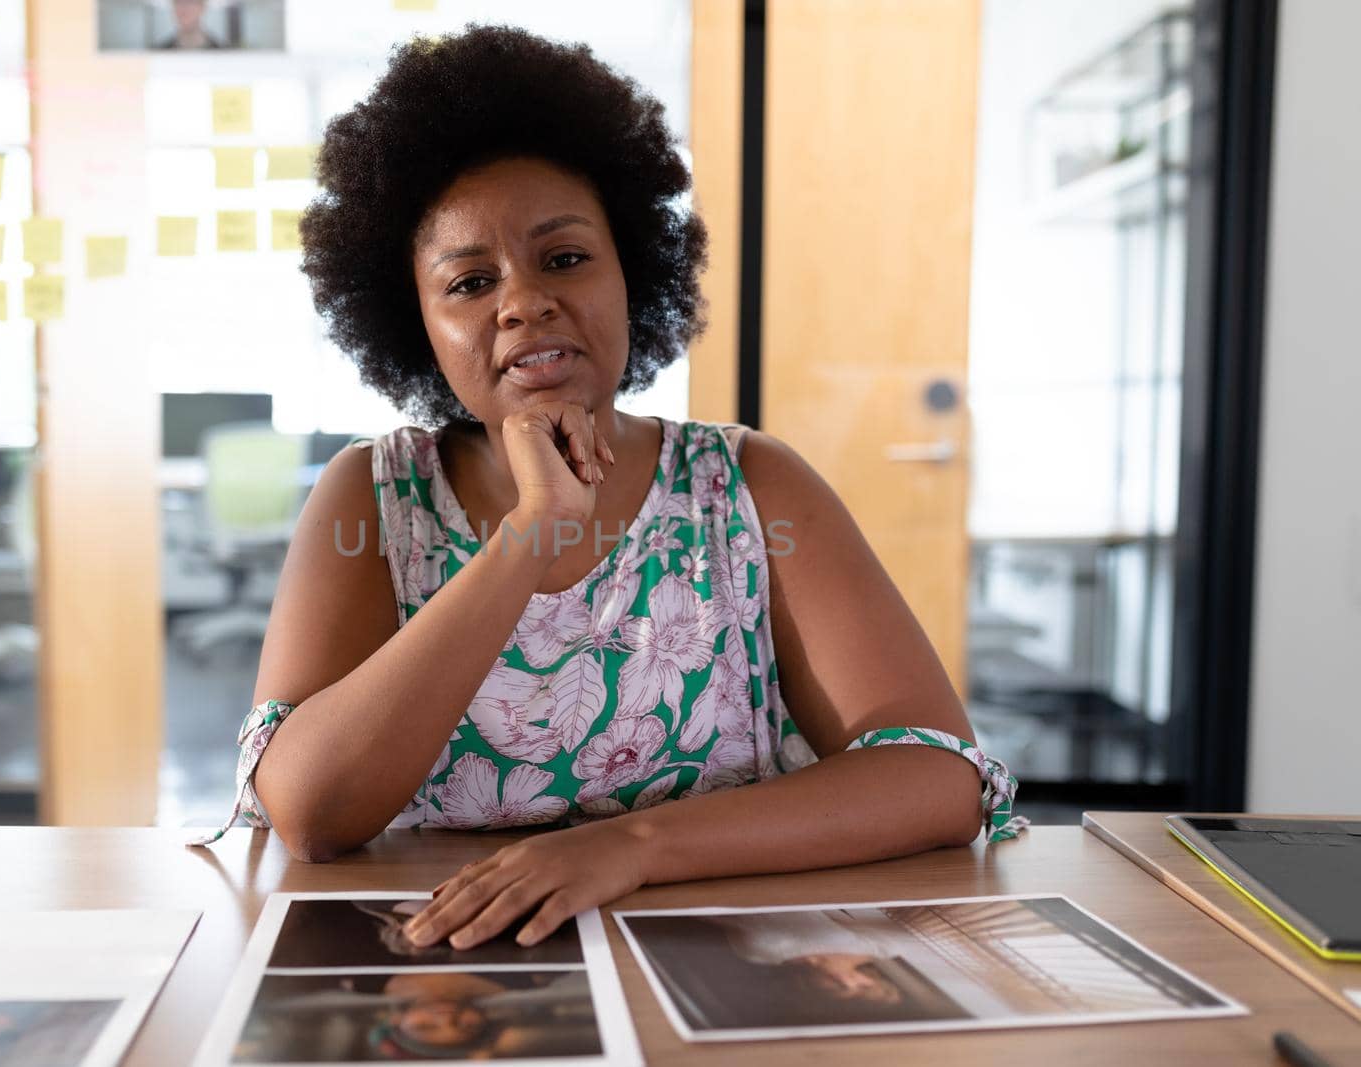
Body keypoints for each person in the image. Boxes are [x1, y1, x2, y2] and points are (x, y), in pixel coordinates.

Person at [189, 25, 1024, 949]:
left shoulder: (747, 485)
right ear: (413, 321)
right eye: (469, 281)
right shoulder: (371, 496)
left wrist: (629, 846)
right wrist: (531, 537)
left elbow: (937, 773)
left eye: (566, 258)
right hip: (451, 978)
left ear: (632, 272)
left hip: (704, 967)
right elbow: (311, 810)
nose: (522, 302)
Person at [154, 0, 223, 50]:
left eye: (190, 2)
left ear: (202, 6)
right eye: (178, 2)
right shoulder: (157, 53)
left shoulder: (223, 53)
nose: (184, 8)